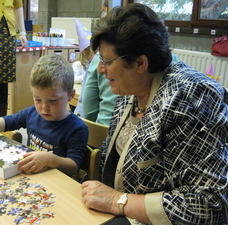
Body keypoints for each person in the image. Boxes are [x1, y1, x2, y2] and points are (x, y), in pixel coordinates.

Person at [81, 3, 228, 225]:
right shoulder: (131, 88)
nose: (101, 69)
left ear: (140, 63)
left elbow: (208, 204)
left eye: (107, 61)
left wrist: (116, 201)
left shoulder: (191, 96)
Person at [0, 54, 88, 176]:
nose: (44, 107)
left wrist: (50, 159)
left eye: (53, 100)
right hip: (33, 177)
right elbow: (7, 122)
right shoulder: (32, 113)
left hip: (56, 182)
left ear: (70, 96)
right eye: (38, 99)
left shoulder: (77, 128)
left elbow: (73, 166)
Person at [82, 52, 117, 126]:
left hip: (102, 127)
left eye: (108, 62)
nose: (100, 70)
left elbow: (89, 111)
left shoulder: (101, 54)